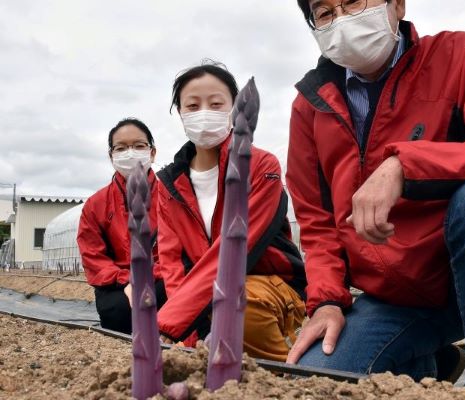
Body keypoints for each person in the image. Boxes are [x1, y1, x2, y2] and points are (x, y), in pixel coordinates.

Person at [285, 1, 465, 399]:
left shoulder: (461, 57)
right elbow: (317, 223)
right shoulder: (311, 107)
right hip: (397, 298)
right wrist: (326, 301)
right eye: (325, 12)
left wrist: (406, 165)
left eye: (353, 3)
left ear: (396, 5)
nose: (342, 20)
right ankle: (423, 364)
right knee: (315, 380)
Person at [155, 62, 307, 361]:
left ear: (235, 107)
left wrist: (169, 322)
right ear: (180, 112)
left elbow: (237, 247)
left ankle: (289, 371)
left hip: (266, 285)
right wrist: (184, 333)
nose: (204, 113)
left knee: (239, 303)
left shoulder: (261, 166)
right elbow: (171, 260)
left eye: (215, 104)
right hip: (201, 294)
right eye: (193, 105)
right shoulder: (169, 182)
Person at [77, 118, 167, 334]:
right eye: (121, 148)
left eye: (138, 146)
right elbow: (93, 257)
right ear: (111, 156)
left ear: (152, 152)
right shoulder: (95, 205)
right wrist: (127, 280)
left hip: (162, 277)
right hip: (116, 284)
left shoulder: (171, 196)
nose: (130, 153)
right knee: (119, 312)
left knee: (172, 302)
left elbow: (182, 251)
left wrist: (147, 278)